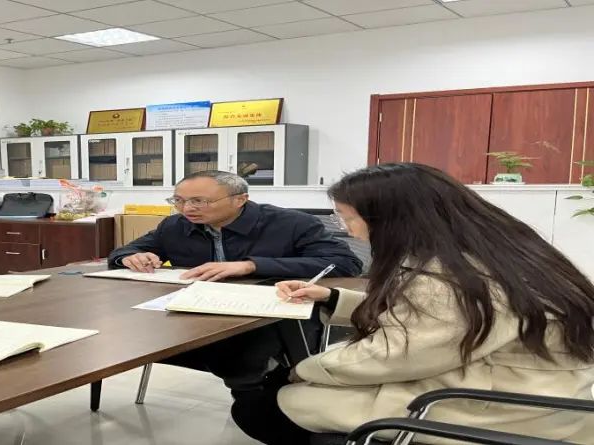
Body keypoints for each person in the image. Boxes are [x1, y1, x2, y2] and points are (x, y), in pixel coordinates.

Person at [256, 163, 594, 444]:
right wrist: (332, 297)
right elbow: (427, 320)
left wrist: (304, 369)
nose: (347, 230)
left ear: (390, 220)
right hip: (544, 394)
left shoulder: (449, 278)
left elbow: (394, 355)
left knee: (267, 405)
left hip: (498, 408)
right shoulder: (499, 251)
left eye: (346, 218)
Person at [106, 170, 362, 431]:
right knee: (128, 334)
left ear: (240, 199)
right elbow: (126, 250)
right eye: (179, 200)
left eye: (199, 201)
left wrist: (251, 266)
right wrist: (131, 257)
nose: (187, 208)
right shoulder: (175, 226)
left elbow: (345, 263)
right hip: (193, 315)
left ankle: (261, 408)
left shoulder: (291, 223)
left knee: (242, 355)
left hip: (270, 315)